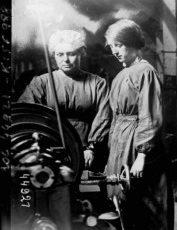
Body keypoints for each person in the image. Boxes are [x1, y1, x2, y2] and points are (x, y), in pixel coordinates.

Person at [91, 19, 174, 230]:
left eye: (120, 45)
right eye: (112, 45)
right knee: (122, 202)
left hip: (138, 144)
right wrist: (96, 147)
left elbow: (150, 116)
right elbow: (111, 116)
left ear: (134, 45)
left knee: (143, 206)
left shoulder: (144, 72)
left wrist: (141, 155)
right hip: (120, 141)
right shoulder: (120, 75)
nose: (115, 50)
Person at [18, 30, 111, 170]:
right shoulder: (41, 82)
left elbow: (104, 118)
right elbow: (27, 113)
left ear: (81, 54)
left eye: (71, 54)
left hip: (86, 150)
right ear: (54, 55)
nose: (65, 59)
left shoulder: (97, 83)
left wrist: (91, 148)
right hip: (49, 148)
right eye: (60, 54)